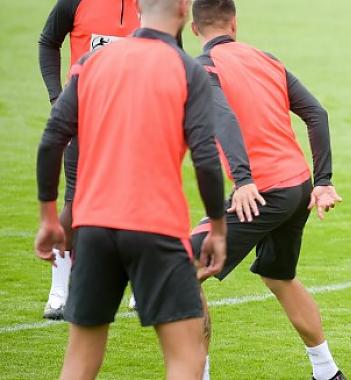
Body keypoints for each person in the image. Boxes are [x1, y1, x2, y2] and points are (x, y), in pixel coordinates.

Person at [34, 0, 228, 378]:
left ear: (138, 8)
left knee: (79, 361)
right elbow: (205, 158)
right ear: (184, 10)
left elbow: (52, 140)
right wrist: (218, 228)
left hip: (92, 229)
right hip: (157, 227)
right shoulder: (188, 70)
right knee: (186, 356)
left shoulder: (91, 63)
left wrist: (47, 216)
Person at [188, 1, 345, 379]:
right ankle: (327, 372)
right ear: (234, 23)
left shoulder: (202, 67)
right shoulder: (266, 58)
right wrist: (322, 181)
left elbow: (221, 117)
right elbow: (316, 114)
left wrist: (242, 179)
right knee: (279, 276)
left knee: (182, 267)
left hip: (262, 192)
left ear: (194, 29)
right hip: (298, 187)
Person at [37, 0, 141, 320]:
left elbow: (171, 55)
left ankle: (140, 283)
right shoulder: (75, 2)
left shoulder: (153, 5)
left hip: (135, 121)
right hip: (86, 119)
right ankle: (60, 289)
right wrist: (58, 98)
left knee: (137, 201)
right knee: (76, 201)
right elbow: (48, 41)